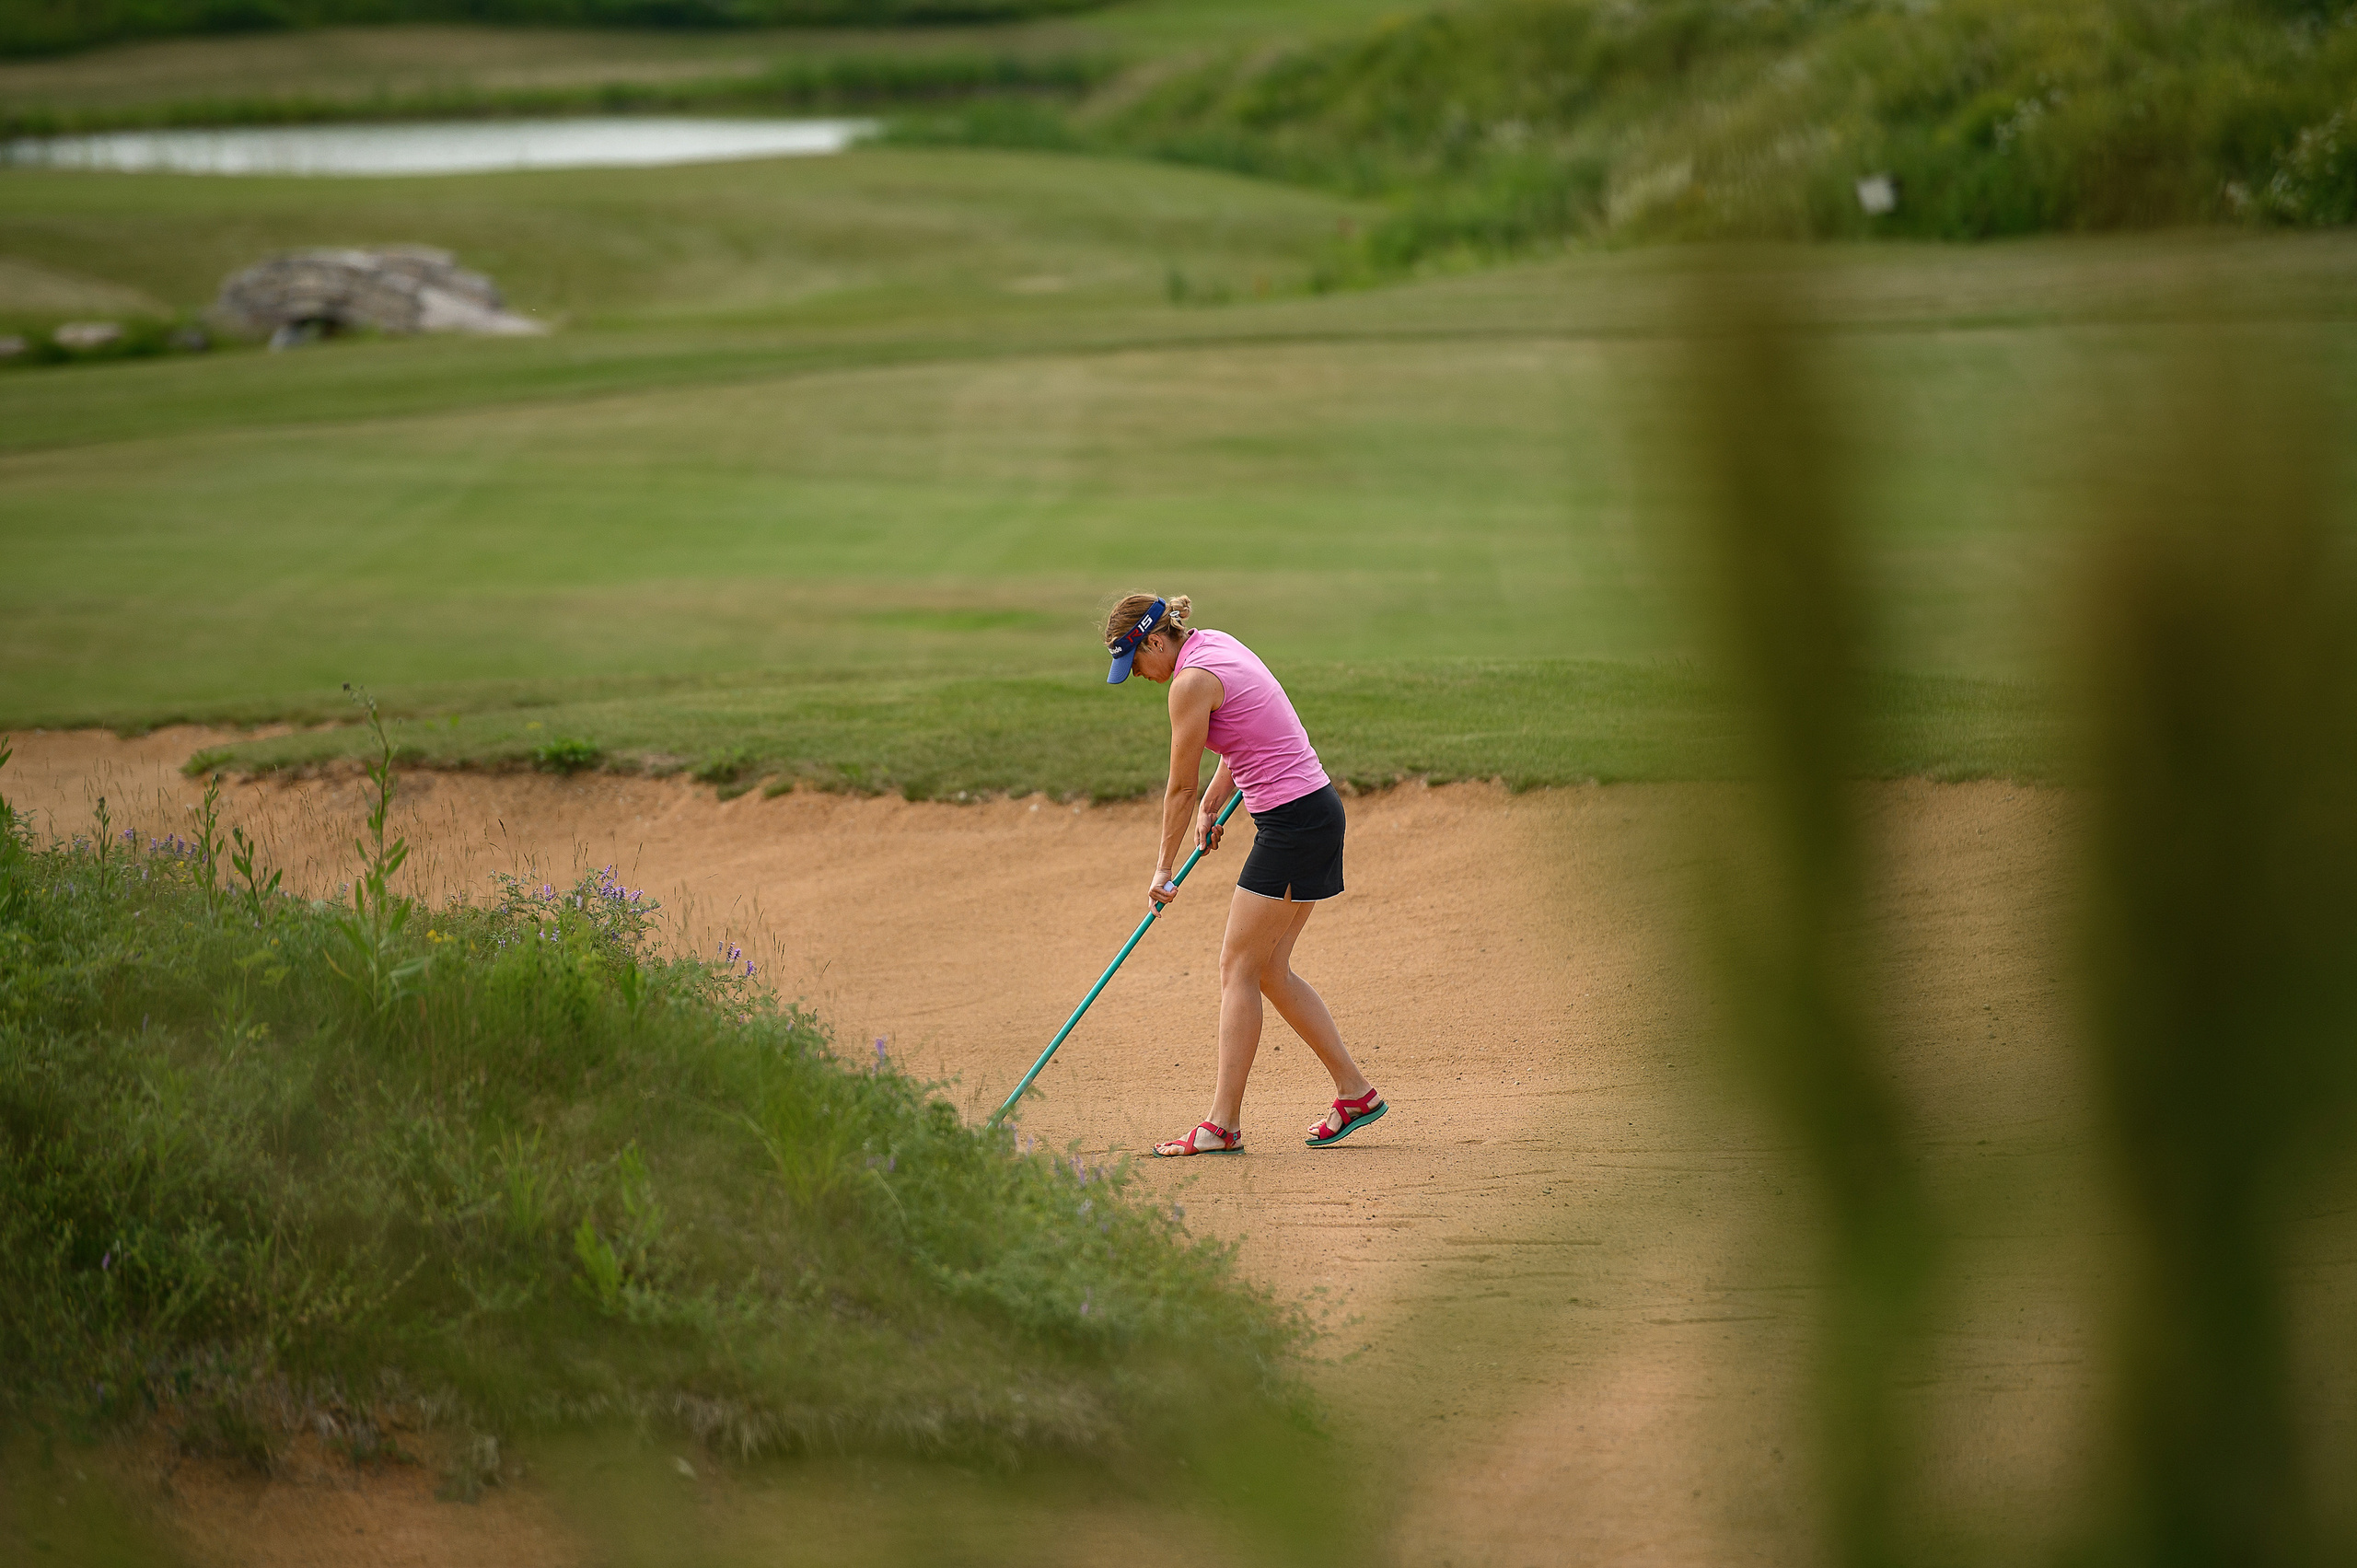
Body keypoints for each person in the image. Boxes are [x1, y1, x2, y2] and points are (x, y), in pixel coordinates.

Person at [1101, 592, 1388, 1156]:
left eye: (1136, 662)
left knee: (1237, 966)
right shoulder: (1216, 645)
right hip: (1313, 811)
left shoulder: (1188, 684)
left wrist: (1163, 868)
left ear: (1155, 641)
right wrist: (1213, 803)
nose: (1139, 675)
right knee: (1269, 969)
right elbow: (1242, 738)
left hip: (1293, 825)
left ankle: (1221, 1125)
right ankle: (1355, 1092)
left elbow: (1177, 786)